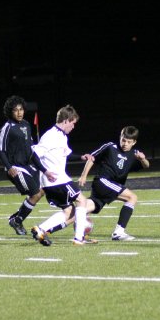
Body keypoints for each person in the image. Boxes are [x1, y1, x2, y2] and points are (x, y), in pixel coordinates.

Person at [29, 104, 96, 246]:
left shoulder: (61, 136)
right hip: (56, 180)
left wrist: (81, 157)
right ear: (66, 120)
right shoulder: (50, 136)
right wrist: (46, 171)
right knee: (82, 201)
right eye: (73, 123)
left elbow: (66, 155)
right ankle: (79, 239)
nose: (74, 126)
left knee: (69, 212)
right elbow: (34, 156)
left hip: (55, 181)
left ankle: (41, 229)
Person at [78, 126, 150, 241]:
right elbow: (91, 158)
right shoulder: (110, 147)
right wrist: (83, 175)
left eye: (129, 142)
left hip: (110, 186)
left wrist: (143, 159)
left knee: (86, 207)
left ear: (134, 142)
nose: (125, 144)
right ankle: (118, 232)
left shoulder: (134, 154)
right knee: (132, 197)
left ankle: (51, 225)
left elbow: (146, 165)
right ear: (120, 137)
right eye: (123, 140)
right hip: (103, 181)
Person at [0, 95, 42, 235]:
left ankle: (17, 219)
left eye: (21, 109)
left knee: (41, 192)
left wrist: (41, 167)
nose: (19, 112)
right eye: (16, 110)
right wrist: (9, 167)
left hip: (28, 166)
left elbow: (31, 149)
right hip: (16, 168)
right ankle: (17, 220)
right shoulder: (7, 127)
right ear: (10, 111)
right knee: (34, 192)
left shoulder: (27, 125)